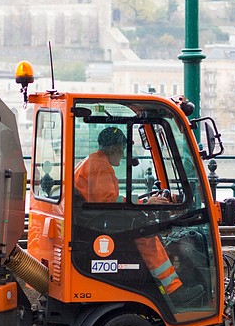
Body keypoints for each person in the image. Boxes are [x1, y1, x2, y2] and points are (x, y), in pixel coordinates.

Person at [74, 126, 196, 303]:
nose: (123, 155)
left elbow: (110, 200)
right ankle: (173, 290)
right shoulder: (100, 166)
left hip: (94, 219)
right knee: (147, 236)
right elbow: (108, 202)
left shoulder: (94, 162)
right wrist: (144, 204)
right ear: (115, 149)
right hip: (98, 223)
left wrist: (141, 202)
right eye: (122, 150)